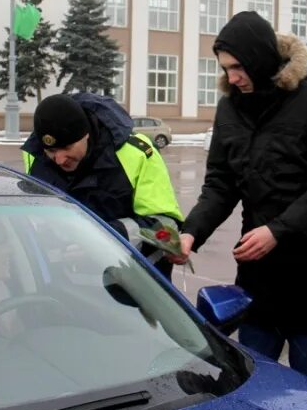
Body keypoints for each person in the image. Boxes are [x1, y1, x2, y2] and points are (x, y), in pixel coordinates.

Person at [173, 11, 307, 391]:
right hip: (258, 281)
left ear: (260, 57)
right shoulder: (230, 109)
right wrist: (191, 232)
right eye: (225, 68)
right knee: (255, 388)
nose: (232, 77)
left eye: (238, 66)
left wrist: (279, 230)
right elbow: (221, 184)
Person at [21, 92, 184, 277]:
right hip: (64, 283)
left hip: (131, 283)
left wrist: (103, 238)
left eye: (66, 148)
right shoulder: (34, 156)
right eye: (51, 150)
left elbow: (165, 226)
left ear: (86, 135)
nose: (58, 159)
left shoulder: (136, 153)